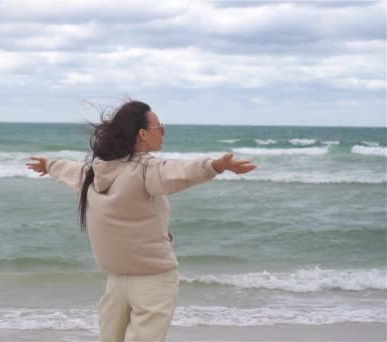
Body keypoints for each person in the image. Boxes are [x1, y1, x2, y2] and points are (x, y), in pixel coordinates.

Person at [26, 100, 256, 342]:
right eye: (160, 127)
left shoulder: (98, 171)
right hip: (149, 279)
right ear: (143, 134)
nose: (164, 132)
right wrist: (215, 166)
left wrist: (51, 165)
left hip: (120, 278)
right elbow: (177, 171)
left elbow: (71, 170)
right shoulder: (141, 169)